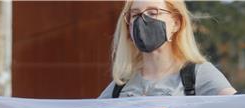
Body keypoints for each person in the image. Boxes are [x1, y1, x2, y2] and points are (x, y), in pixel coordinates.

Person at [99, 0, 236, 98]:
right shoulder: (121, 84)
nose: (142, 21)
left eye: (152, 13)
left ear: (176, 23)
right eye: (135, 15)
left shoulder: (197, 74)